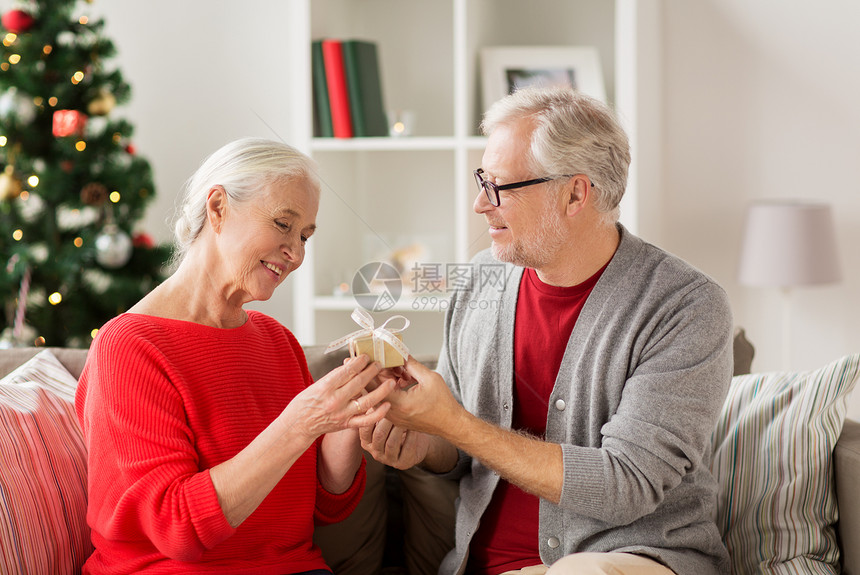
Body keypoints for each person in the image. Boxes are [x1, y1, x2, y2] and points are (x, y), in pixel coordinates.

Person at [360, 85, 734, 575]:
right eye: (481, 180)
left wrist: (453, 423)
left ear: (575, 193)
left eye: (498, 186)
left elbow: (627, 485)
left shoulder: (684, 306)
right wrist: (425, 440)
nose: (479, 204)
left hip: (631, 560)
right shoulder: (477, 283)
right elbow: (458, 450)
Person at [75, 138, 395, 574]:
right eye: (283, 224)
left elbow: (326, 507)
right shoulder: (130, 346)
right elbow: (177, 527)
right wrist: (300, 425)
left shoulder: (276, 341)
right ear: (219, 208)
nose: (297, 253)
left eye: (304, 236)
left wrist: (347, 420)